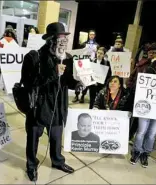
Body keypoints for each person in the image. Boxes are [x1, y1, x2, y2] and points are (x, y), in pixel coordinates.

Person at [21, 22, 83, 181]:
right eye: (60, 39)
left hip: (58, 106)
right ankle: (31, 165)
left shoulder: (67, 58)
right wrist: (54, 73)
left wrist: (77, 84)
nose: (63, 42)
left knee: (56, 137)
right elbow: (29, 82)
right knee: (33, 138)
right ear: (50, 40)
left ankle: (57, 161)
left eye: (65, 39)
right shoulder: (34, 57)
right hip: (39, 106)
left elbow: (67, 80)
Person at [73, 30, 99, 103]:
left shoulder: (97, 45)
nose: (91, 36)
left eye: (93, 35)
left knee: (87, 82)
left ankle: (82, 96)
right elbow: (78, 53)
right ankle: (76, 95)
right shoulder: (84, 44)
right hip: (82, 64)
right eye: (90, 34)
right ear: (88, 35)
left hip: (91, 65)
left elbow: (99, 55)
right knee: (79, 81)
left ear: (94, 36)